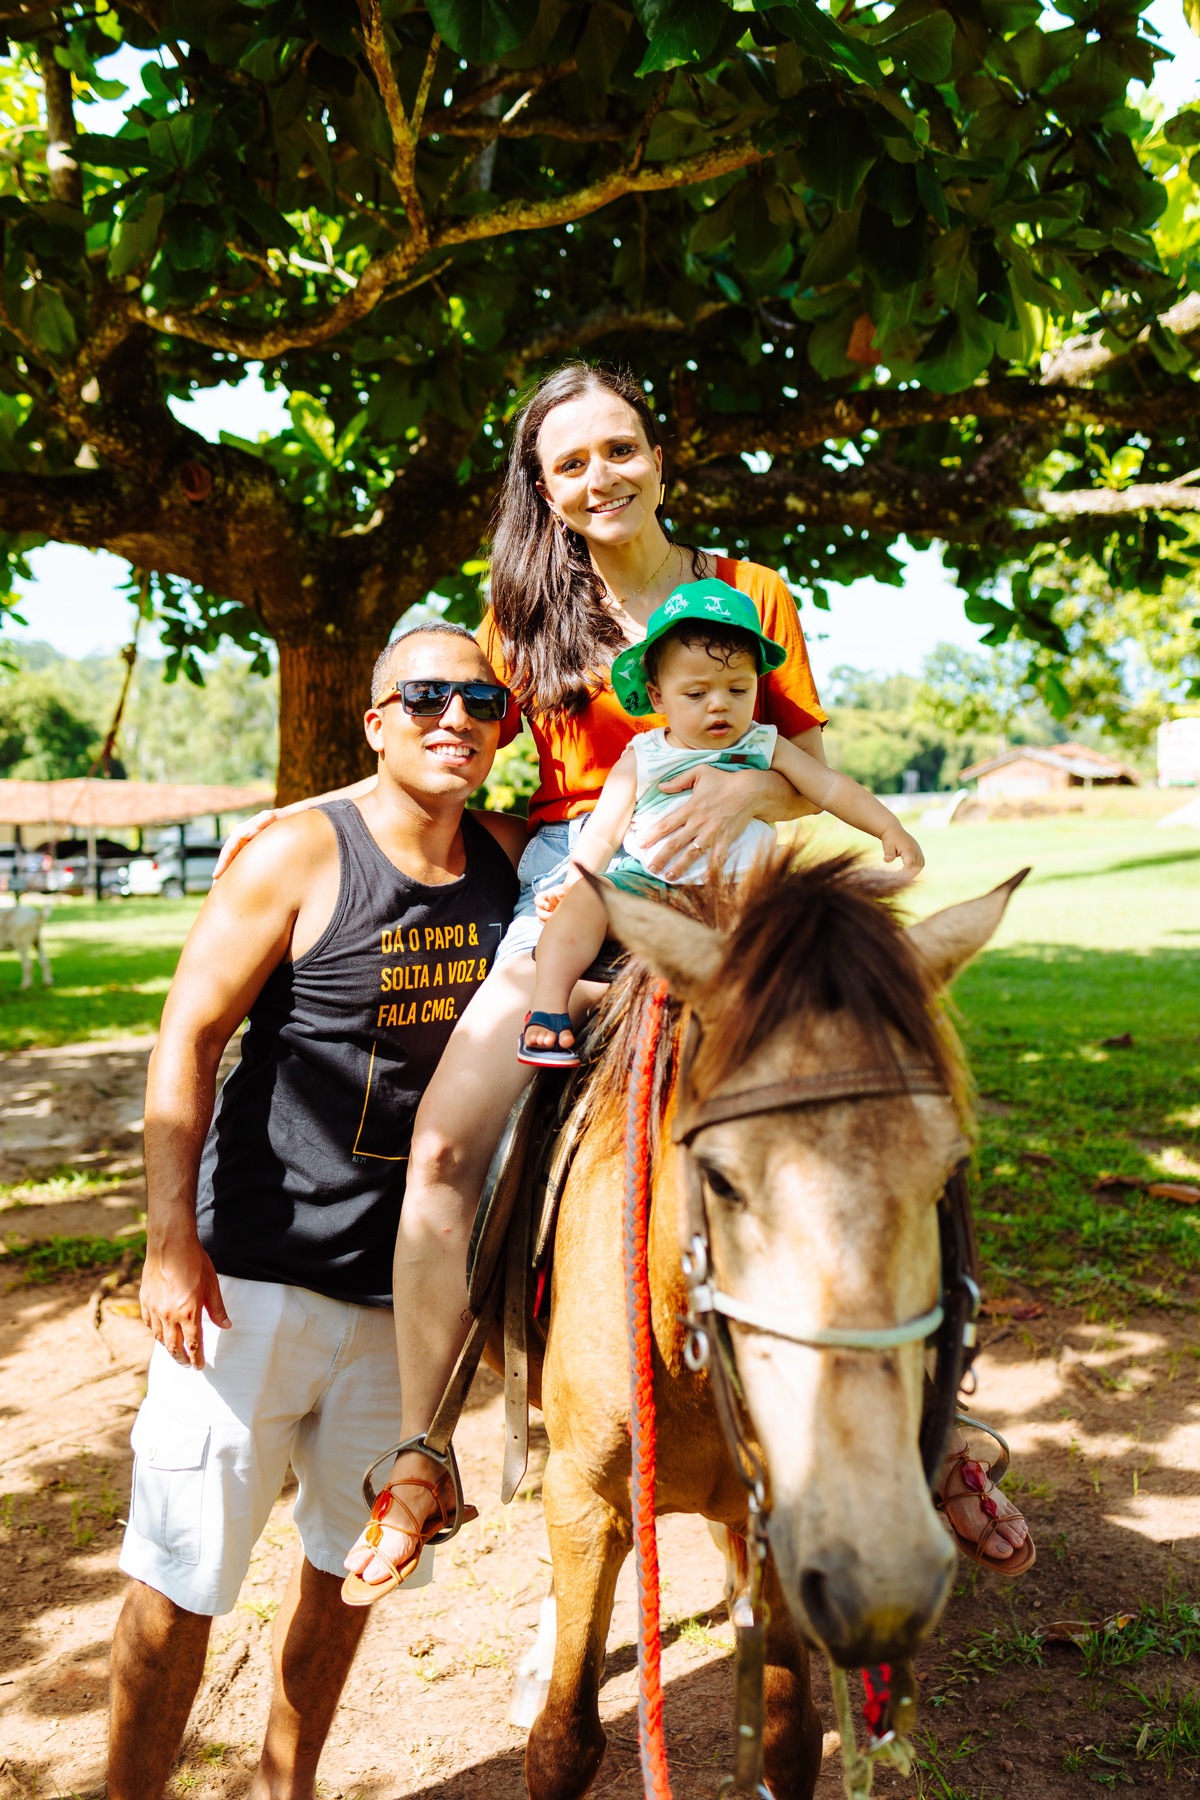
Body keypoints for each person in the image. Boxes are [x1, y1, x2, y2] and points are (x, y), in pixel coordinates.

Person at [220, 361, 1031, 1590]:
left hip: (744, 887)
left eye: (620, 449)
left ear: (659, 456)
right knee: (444, 1148)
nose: (600, 477)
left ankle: (939, 1412)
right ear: (542, 490)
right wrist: (311, 810)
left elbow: (803, 758)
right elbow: (436, 761)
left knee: (884, 1099)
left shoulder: (751, 592)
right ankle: (426, 1444)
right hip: (581, 883)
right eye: (570, 463)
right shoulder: (517, 617)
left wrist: (740, 788)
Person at [107, 624, 522, 1800]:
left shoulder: (506, 859)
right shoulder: (298, 853)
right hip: (249, 1286)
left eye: (480, 700)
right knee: (179, 1581)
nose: (456, 717)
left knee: (350, 1578)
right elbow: (188, 1039)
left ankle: (289, 1788)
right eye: (425, 697)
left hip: (404, 1305)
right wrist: (169, 1245)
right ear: (376, 719)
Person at [519, 578, 924, 1065]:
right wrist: (574, 878)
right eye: (695, 693)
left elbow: (830, 787)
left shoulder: (762, 743)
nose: (719, 704)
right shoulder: (644, 754)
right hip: (653, 887)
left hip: (749, 897)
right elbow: (604, 830)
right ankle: (547, 1008)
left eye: (738, 689)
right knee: (585, 901)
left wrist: (887, 826)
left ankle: (853, 1039)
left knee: (824, 925)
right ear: (658, 696)